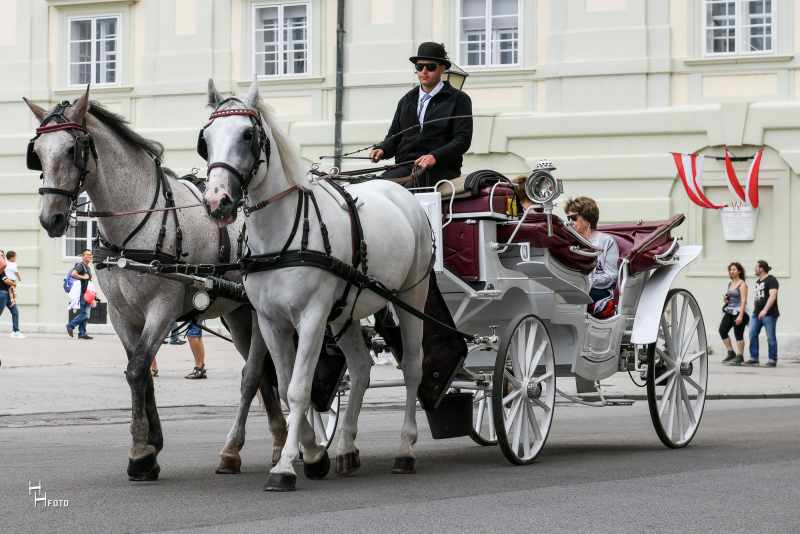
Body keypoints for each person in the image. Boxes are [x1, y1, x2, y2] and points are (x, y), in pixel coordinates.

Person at [370, 42, 473, 188]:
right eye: (419, 67)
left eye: (430, 67)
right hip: (405, 167)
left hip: (440, 169)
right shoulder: (406, 100)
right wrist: (382, 149)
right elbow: (394, 137)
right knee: (373, 187)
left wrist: (435, 157)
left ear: (442, 68)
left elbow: (462, 140)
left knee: (401, 188)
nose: (424, 71)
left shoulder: (458, 99)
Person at [564, 197, 619, 315]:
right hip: (575, 288)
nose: (569, 222)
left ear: (587, 218)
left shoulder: (606, 241)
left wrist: (588, 281)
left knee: (571, 298)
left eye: (573, 217)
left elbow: (612, 276)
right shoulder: (569, 241)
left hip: (598, 291)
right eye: (568, 218)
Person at [746, 260, 779, 367]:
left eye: (756, 267)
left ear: (761, 268)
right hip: (756, 314)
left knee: (770, 337)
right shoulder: (758, 282)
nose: (754, 269)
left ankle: (772, 360)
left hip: (769, 314)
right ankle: (754, 358)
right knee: (752, 334)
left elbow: (773, 296)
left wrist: (765, 310)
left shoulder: (771, 280)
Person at [720, 262, 748, 366]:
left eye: (734, 269)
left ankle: (740, 356)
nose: (732, 271)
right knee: (722, 330)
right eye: (730, 270)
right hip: (729, 311)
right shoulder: (730, 284)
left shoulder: (742, 284)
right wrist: (726, 300)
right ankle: (731, 352)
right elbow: (730, 298)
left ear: (739, 271)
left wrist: (741, 315)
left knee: (738, 334)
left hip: (738, 312)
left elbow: (744, 300)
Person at [66, 249, 94, 340]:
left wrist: (94, 296)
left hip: (87, 294)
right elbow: (73, 274)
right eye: (87, 255)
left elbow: (89, 282)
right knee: (85, 315)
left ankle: (82, 333)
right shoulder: (80, 265)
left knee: (85, 314)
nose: (89, 256)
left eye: (90, 255)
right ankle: (70, 325)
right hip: (82, 294)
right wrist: (83, 277)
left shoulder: (88, 267)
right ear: (83, 256)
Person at [2, 250, 23, 338]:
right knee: (14, 311)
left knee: (15, 311)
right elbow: (13, 277)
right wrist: (18, 280)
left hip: (8, 290)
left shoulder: (5, 265)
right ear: (12, 257)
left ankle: (16, 331)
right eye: (15, 256)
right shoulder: (10, 265)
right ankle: (16, 331)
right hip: (6, 290)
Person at [0, 251, 17, 335]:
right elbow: (5, 280)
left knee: (15, 311)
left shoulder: (5, 268)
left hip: (7, 293)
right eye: (1, 256)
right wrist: (14, 283)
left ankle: (16, 331)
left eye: (3, 255)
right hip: (2, 294)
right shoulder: (1, 270)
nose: (3, 257)